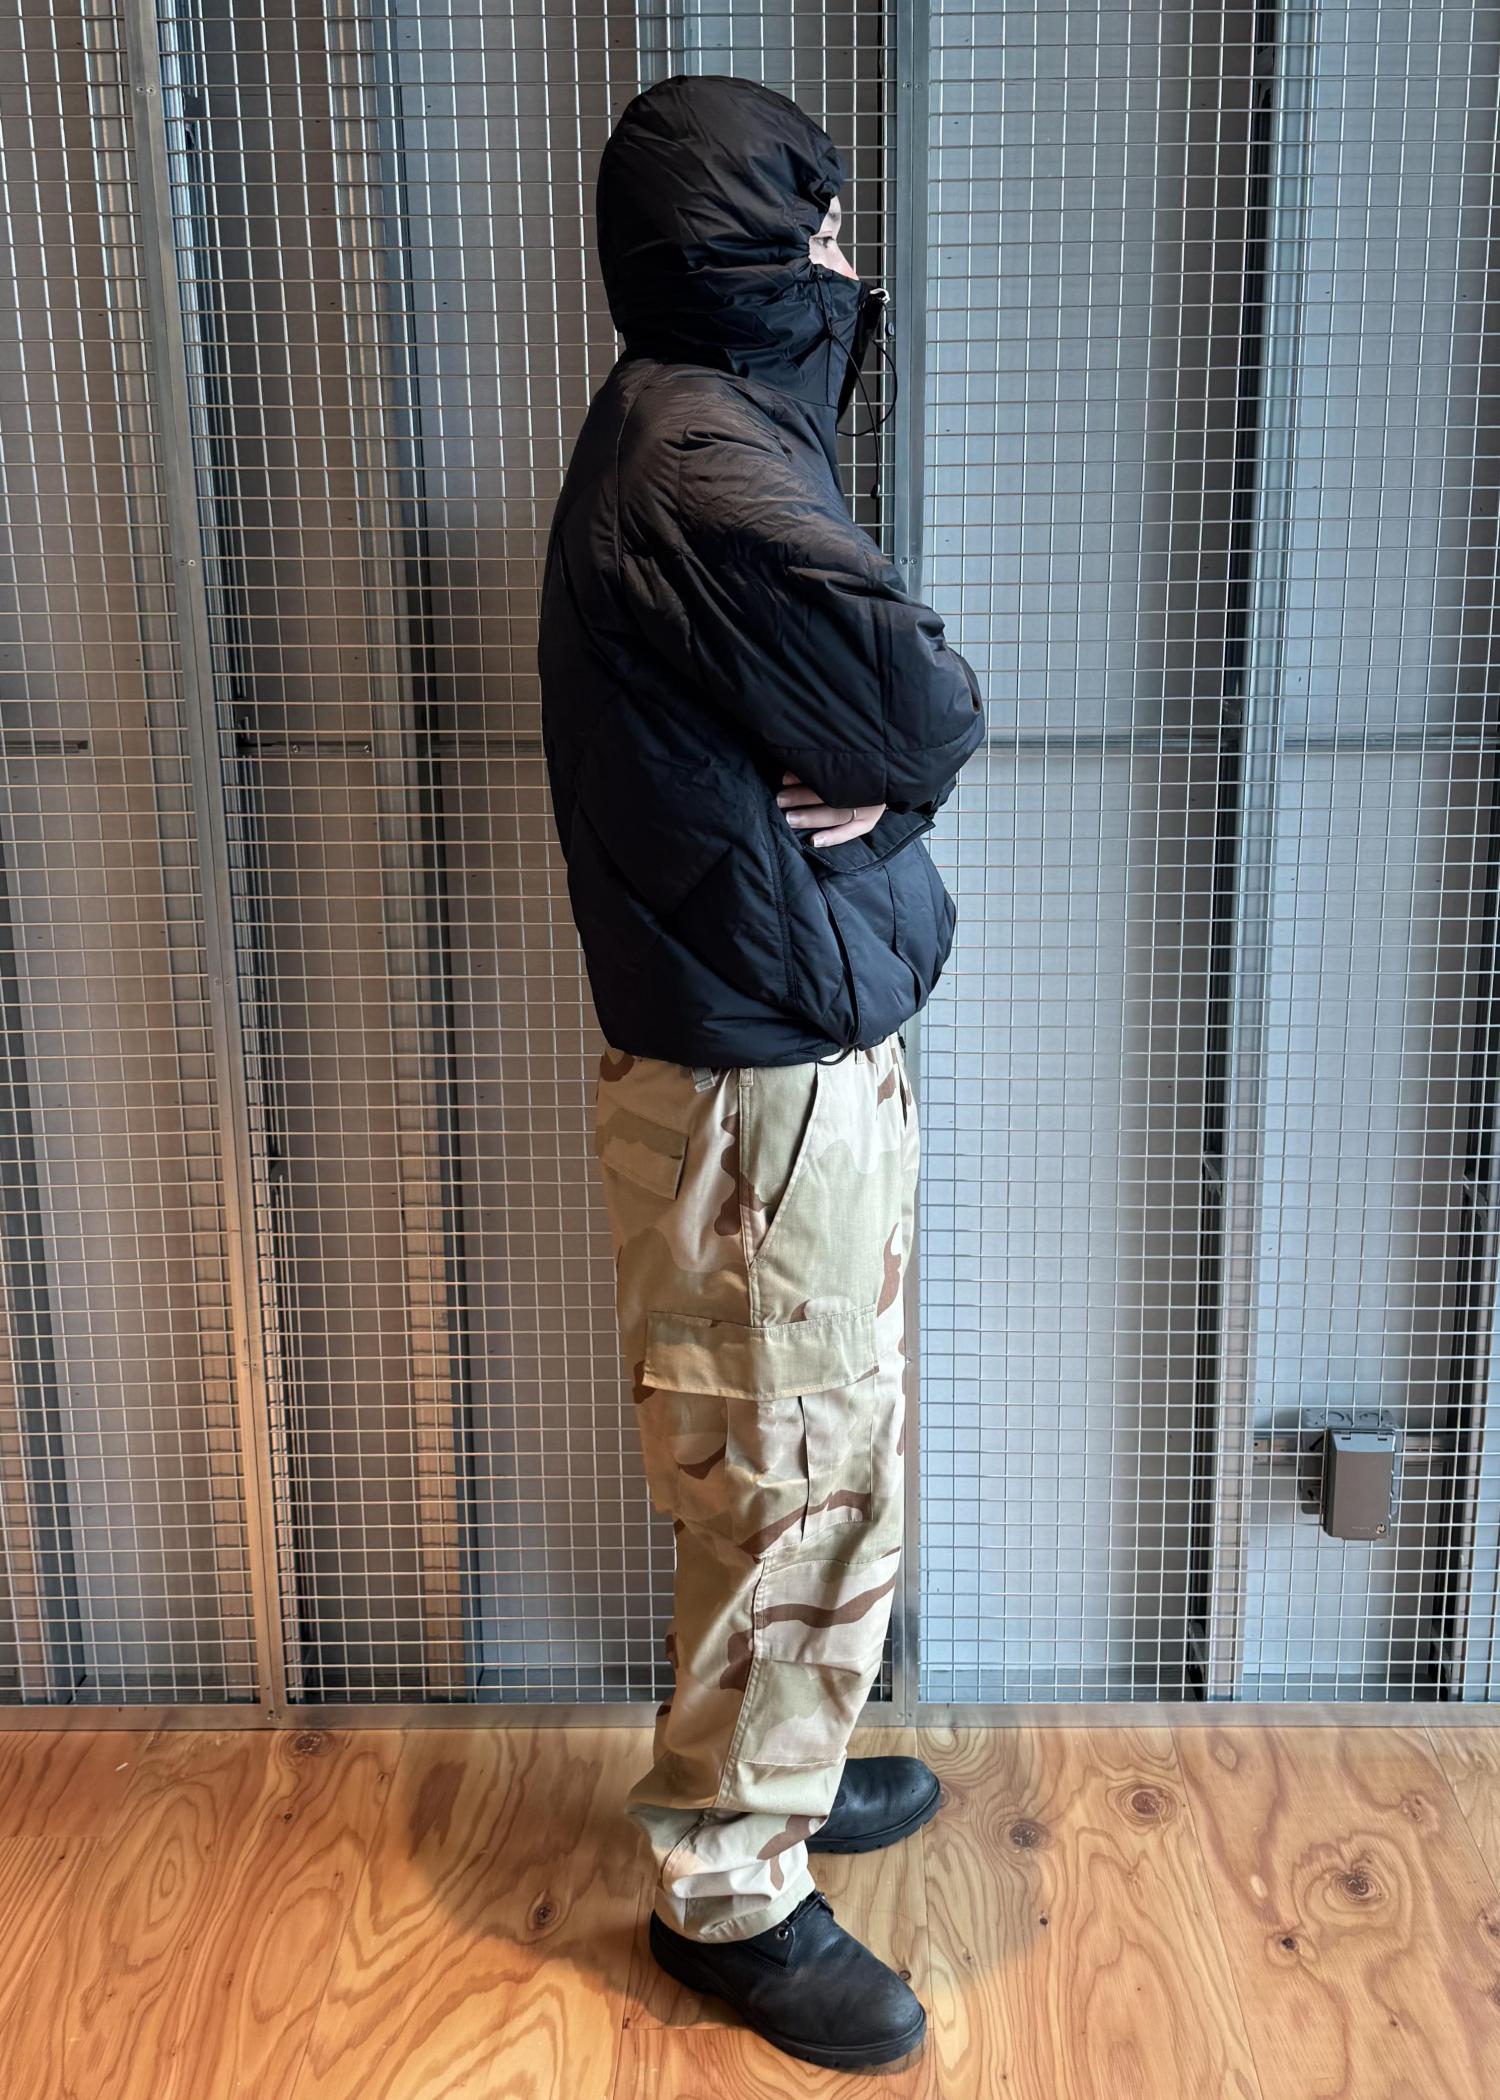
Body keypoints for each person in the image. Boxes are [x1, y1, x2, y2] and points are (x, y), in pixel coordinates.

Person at [537, 72, 985, 2073]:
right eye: (817, 226)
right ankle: (727, 1887)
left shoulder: (697, 423)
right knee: (788, 1488)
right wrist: (902, 769)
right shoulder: (703, 462)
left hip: (771, 1061)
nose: (846, 258)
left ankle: (778, 1768)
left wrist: (879, 791)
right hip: (755, 1095)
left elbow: (867, 732)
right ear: (748, 250)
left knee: (807, 1466)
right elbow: (920, 700)